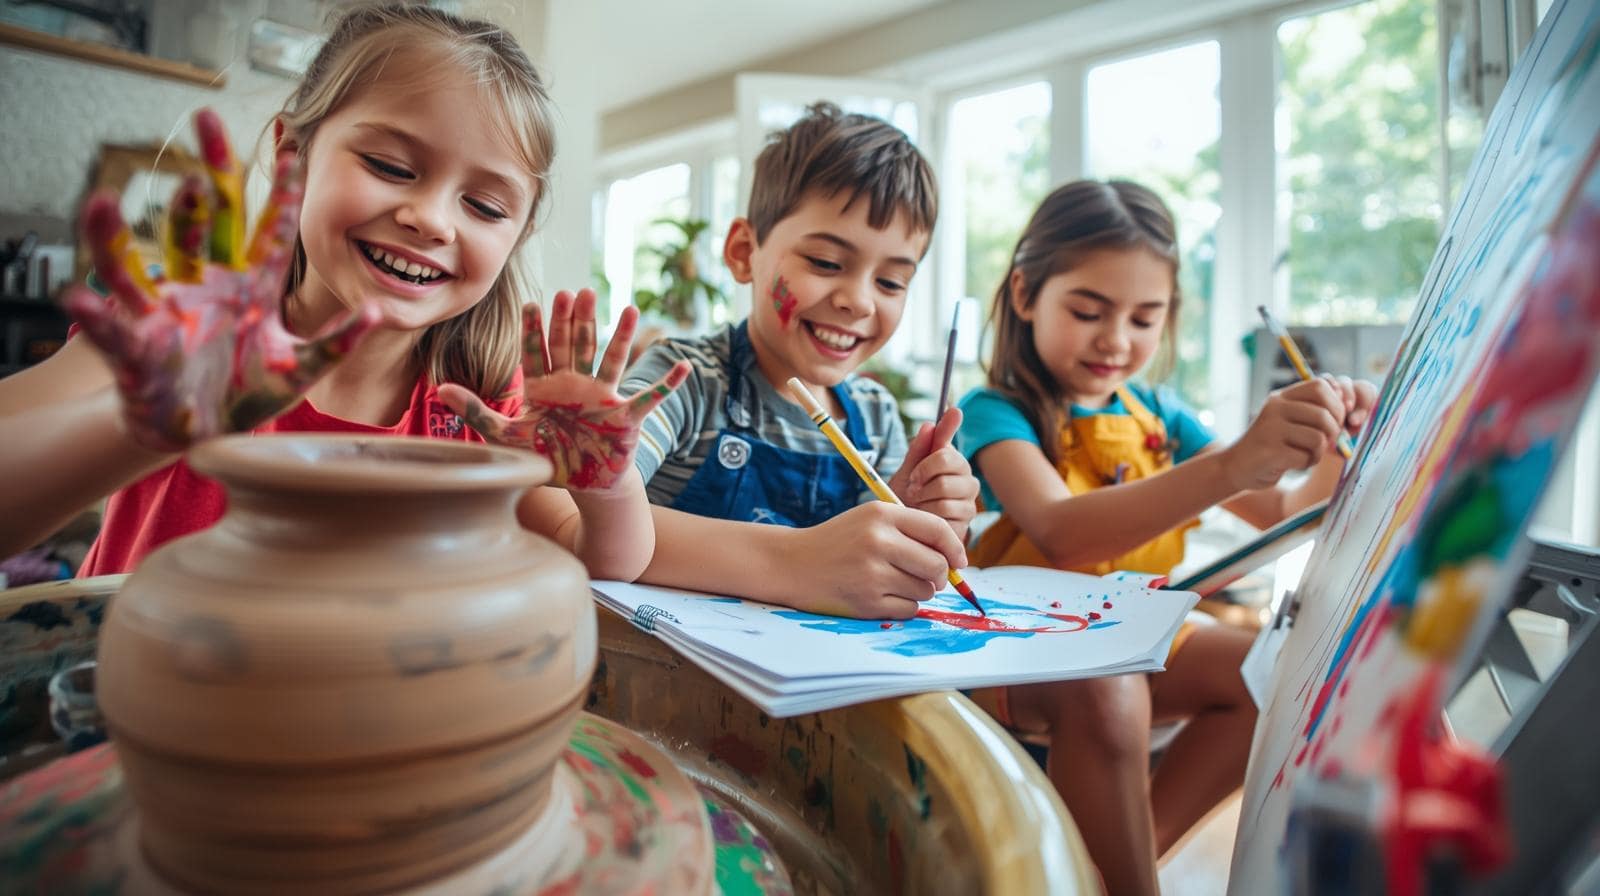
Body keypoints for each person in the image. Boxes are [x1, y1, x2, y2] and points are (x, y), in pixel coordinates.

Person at [0, 4, 687, 579]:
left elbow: (596, 558)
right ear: (293, 158)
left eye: (484, 207)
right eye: (390, 166)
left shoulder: (480, 403)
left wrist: (608, 486)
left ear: (518, 236)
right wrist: (150, 421)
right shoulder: (178, 335)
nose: (431, 220)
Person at [957, 179, 1377, 895]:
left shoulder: (1161, 414)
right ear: (1024, 295)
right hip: (1017, 643)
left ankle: (1119, 867)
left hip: (1128, 637)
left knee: (1270, 673)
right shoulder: (994, 411)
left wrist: (1341, 442)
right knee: (1107, 681)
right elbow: (1062, 534)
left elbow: (1283, 509)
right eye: (1088, 311)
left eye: (1144, 318)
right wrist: (1232, 463)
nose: (1116, 340)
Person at [620, 103, 978, 617]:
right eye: (826, 262)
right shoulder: (685, 381)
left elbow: (875, 574)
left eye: (891, 282)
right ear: (743, 252)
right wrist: (793, 562)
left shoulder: (875, 417)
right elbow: (575, 506)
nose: (859, 301)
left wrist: (918, 525)